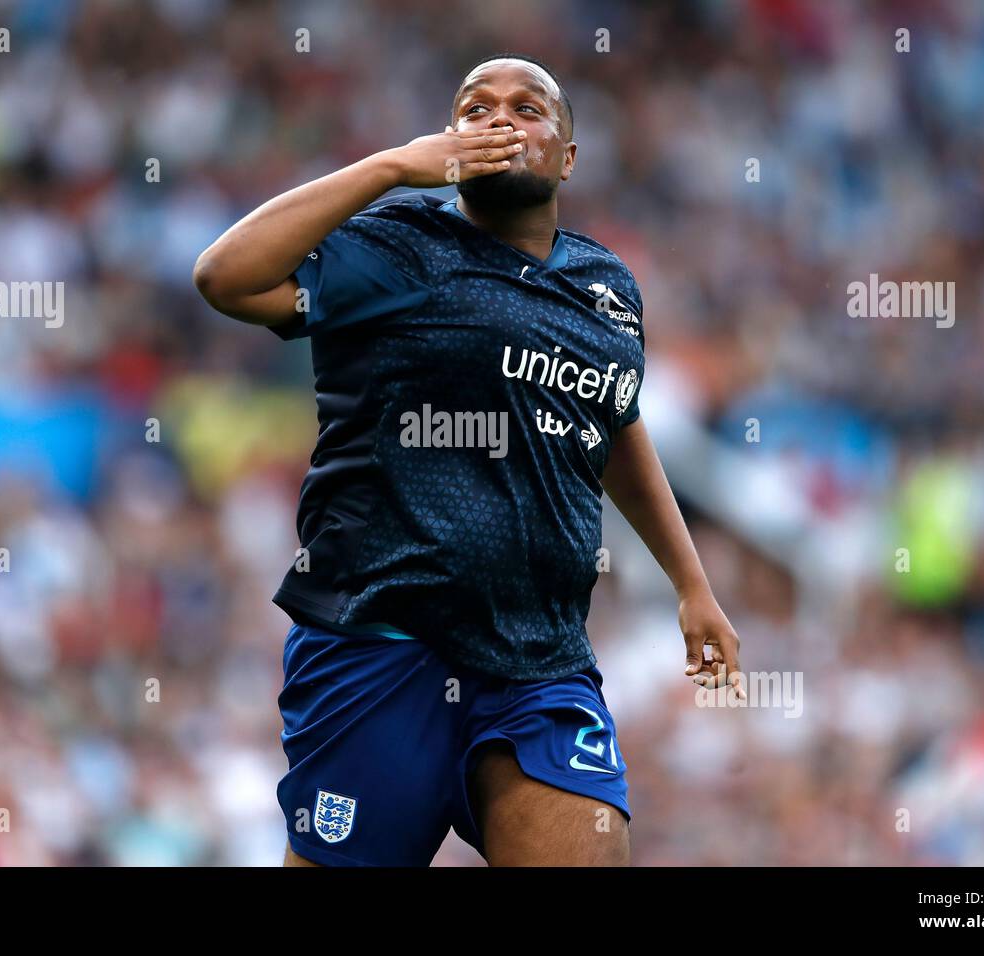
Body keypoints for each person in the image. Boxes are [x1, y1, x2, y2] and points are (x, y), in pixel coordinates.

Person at [194, 53, 744, 867]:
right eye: (475, 108)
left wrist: (691, 584)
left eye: (528, 108)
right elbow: (224, 277)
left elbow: (614, 423)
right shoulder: (397, 249)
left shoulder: (608, 286)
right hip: (381, 644)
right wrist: (391, 168)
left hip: (541, 657)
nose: (499, 120)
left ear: (567, 157)